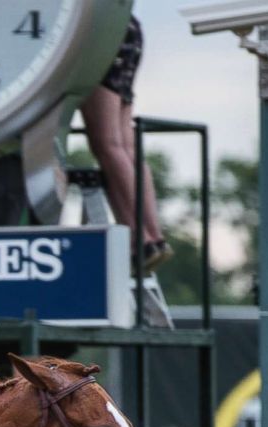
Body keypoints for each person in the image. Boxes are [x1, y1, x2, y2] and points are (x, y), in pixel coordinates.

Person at [81, 11, 170, 269]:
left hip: (98, 31)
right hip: (125, 24)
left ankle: (141, 237)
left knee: (106, 143)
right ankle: (154, 236)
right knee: (123, 144)